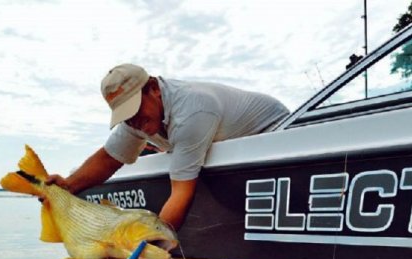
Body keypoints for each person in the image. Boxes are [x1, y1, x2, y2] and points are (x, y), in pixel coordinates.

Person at [47, 63, 289, 230]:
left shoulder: (192, 109)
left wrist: (151, 244)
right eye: (125, 116)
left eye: (134, 110)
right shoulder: (138, 120)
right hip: (228, 144)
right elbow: (110, 158)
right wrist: (67, 186)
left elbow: (181, 192)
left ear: (154, 89)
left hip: (277, 131)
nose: (133, 121)